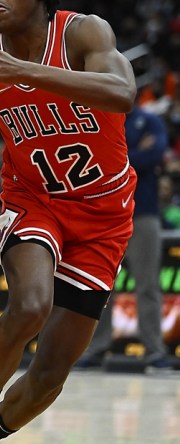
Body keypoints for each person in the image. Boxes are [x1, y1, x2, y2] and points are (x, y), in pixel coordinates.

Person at [0, 0, 138, 442]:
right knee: (30, 306)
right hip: (34, 198)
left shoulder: (82, 33)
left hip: (104, 215)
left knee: (51, 373)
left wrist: (21, 72)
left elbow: (122, 92)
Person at [76, 104, 171, 369]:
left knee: (148, 284)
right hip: (106, 214)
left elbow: (155, 154)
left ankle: (154, 351)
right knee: (100, 284)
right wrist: (132, 154)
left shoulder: (149, 120)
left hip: (143, 213)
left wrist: (115, 157)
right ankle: (96, 349)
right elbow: (91, 160)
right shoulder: (95, 119)